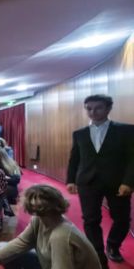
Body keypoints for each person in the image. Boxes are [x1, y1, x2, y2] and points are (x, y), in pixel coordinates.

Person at [66, 94, 134, 267]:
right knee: (90, 220)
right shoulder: (79, 134)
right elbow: (74, 159)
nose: (93, 112)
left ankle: (113, 245)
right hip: (87, 182)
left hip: (118, 183)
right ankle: (97, 252)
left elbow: (132, 159)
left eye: (98, 108)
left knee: (122, 219)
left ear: (108, 109)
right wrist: (70, 180)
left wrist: (129, 182)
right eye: (89, 108)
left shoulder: (126, 130)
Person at [0, 185, 101, 269]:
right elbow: (23, 242)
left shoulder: (61, 235)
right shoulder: (39, 219)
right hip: (49, 262)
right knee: (0, 248)